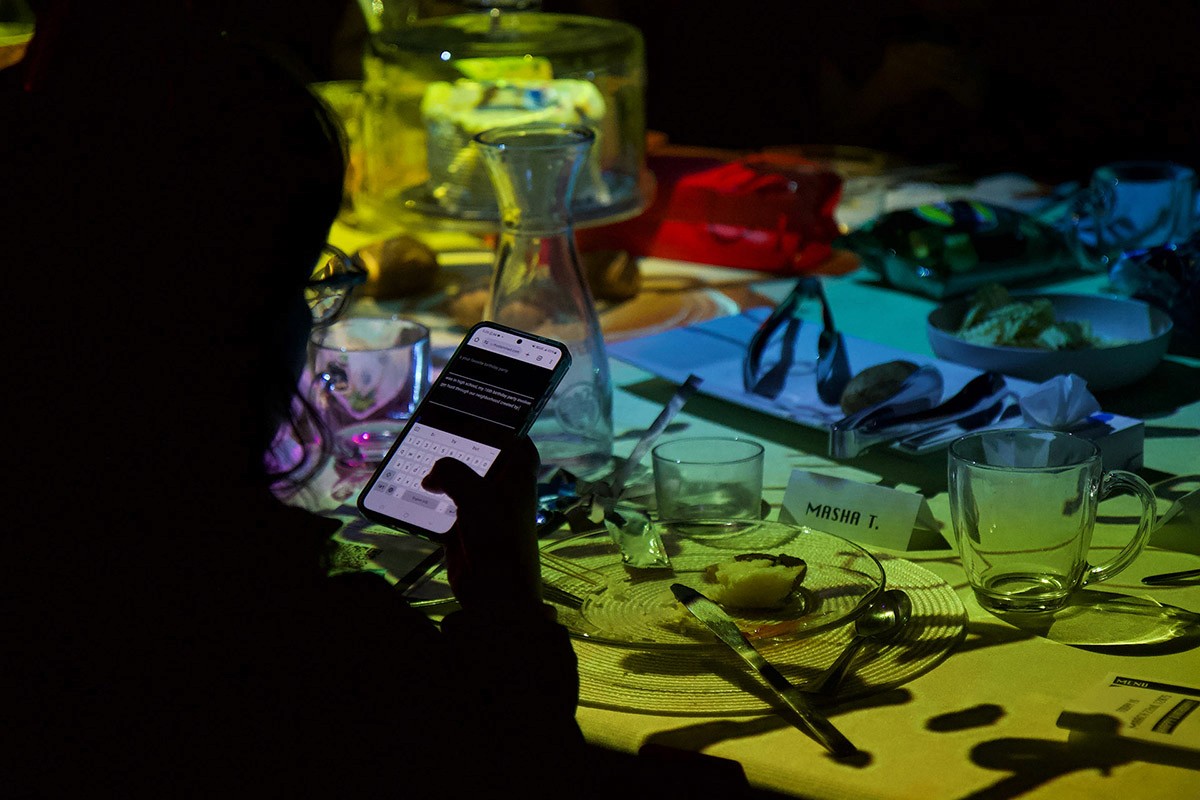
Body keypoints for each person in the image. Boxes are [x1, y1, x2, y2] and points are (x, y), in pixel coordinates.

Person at [2, 4, 783, 797]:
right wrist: (503, 591)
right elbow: (516, 757)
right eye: (305, 281)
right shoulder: (298, 635)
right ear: (228, 321)